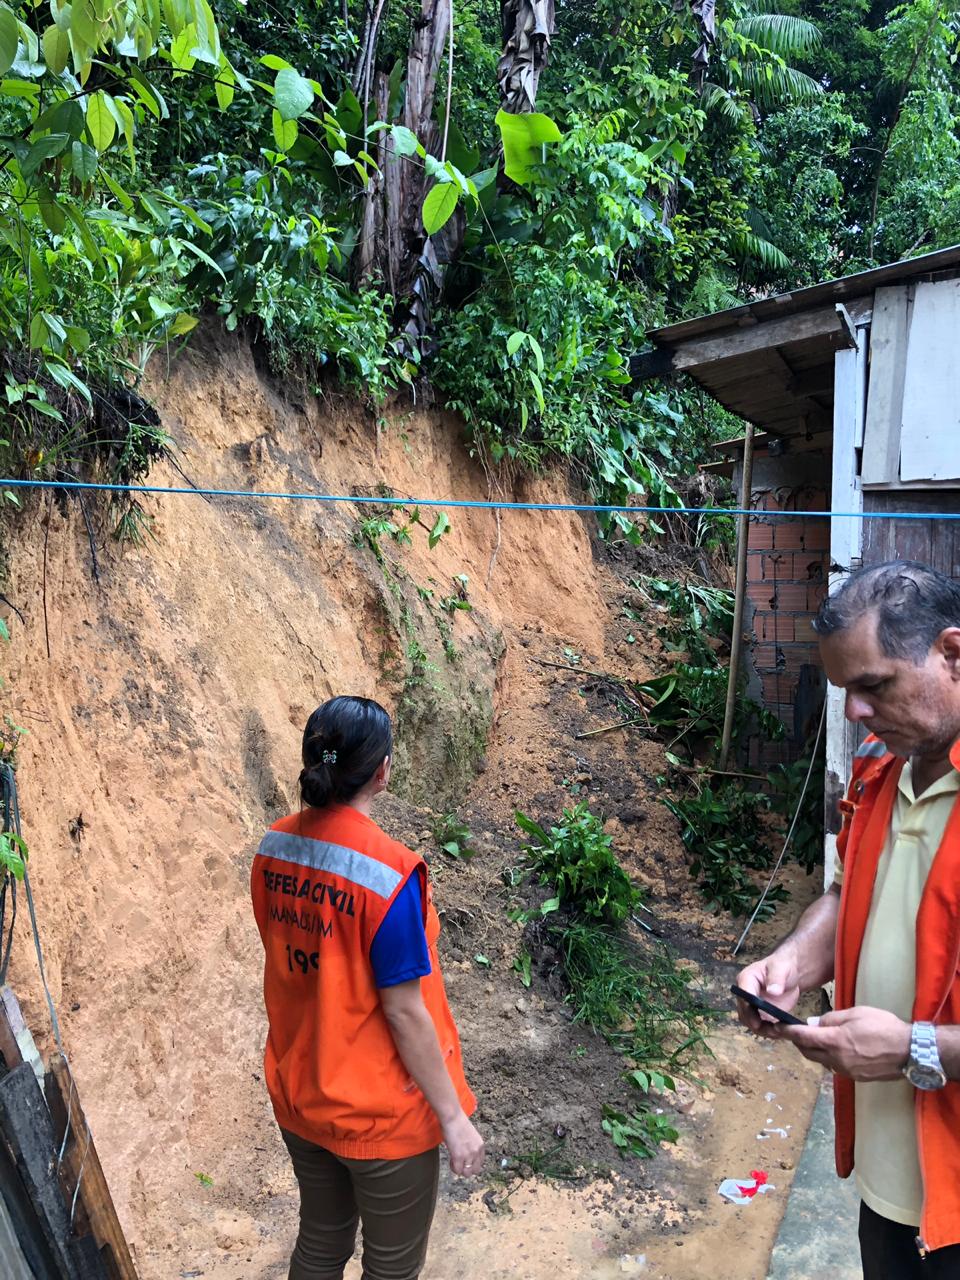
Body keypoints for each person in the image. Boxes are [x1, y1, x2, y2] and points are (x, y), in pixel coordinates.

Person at [735, 560, 960, 1278]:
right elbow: (848, 894)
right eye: (845, 692)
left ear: (953, 654)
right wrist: (793, 962)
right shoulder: (881, 768)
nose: (856, 712)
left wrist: (916, 1049)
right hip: (889, 1182)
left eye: (874, 686)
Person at [251, 695, 483, 1280]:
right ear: (382, 771)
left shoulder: (273, 848)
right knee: (392, 1268)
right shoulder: (389, 874)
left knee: (320, 1242)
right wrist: (453, 1119)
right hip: (380, 1116)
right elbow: (404, 1013)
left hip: (302, 1092)